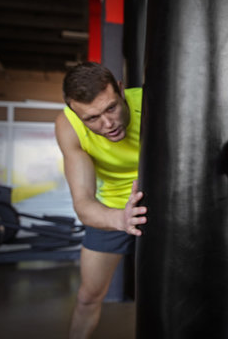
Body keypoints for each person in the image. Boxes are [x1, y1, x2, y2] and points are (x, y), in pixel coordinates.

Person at [54, 61, 147, 339]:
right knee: (88, 296)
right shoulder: (68, 126)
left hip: (166, 204)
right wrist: (120, 218)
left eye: (111, 108)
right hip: (113, 210)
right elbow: (83, 203)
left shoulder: (151, 100)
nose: (108, 124)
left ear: (120, 90)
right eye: (92, 118)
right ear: (75, 113)